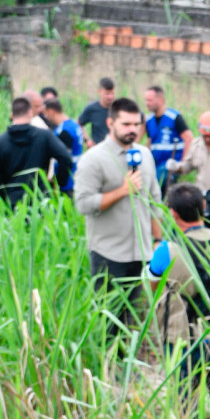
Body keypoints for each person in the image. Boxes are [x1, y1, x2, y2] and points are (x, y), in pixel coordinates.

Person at [74, 98, 163, 337]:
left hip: (142, 252)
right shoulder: (93, 159)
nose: (132, 129)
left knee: (133, 320)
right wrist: (122, 191)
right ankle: (106, 369)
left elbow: (155, 201)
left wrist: (157, 241)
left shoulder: (144, 154)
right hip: (109, 253)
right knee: (108, 321)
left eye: (136, 124)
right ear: (110, 123)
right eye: (125, 124)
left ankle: (128, 366)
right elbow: (83, 204)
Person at [148, 183, 210, 409]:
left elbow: (153, 286)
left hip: (184, 338)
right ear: (203, 206)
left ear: (173, 213)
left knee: (184, 404)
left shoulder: (167, 250)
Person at [0, 96, 73, 209]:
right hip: (40, 200)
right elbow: (66, 158)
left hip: (12, 202)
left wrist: (4, 195)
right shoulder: (44, 136)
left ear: (12, 115)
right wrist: (58, 183)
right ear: (30, 113)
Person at [144, 85, 193, 195]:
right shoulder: (149, 119)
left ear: (161, 100)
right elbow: (150, 141)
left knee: (154, 184)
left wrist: (182, 164)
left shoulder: (174, 117)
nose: (147, 103)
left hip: (170, 165)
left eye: (150, 100)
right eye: (146, 100)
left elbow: (188, 138)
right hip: (155, 164)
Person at [44, 98, 84, 197]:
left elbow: (65, 159)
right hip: (75, 177)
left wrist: (58, 182)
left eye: (46, 114)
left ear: (51, 111)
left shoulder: (64, 131)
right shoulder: (73, 125)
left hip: (67, 182)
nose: (46, 117)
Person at [79, 78, 116, 146]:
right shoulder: (92, 109)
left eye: (112, 93)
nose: (110, 97)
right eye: (107, 94)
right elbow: (79, 124)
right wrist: (87, 140)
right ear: (99, 92)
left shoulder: (119, 108)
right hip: (98, 148)